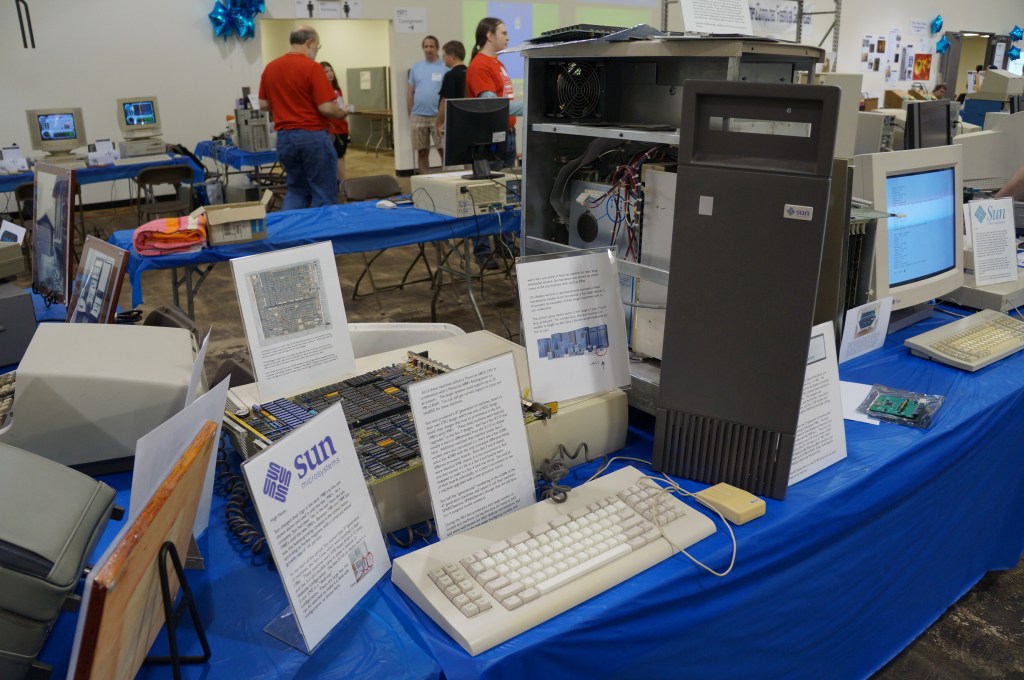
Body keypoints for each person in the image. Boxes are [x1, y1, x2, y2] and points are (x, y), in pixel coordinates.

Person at [259, 26, 347, 210]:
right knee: (323, 193)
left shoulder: (271, 67)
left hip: (284, 138)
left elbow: (263, 104)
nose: (316, 51)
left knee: (296, 191)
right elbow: (326, 108)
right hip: (312, 138)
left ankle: (292, 236)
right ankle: (322, 236)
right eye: (318, 46)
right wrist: (342, 112)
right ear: (310, 43)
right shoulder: (312, 68)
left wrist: (285, 106)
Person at [466, 17, 521, 268]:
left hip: (506, 135)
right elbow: (491, 104)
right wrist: (531, 106)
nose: (508, 37)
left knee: (506, 193)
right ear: (489, 35)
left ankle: (505, 245)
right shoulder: (480, 65)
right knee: (486, 195)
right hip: (490, 139)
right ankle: (483, 251)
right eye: (504, 32)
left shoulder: (496, 63)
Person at [407, 35, 447, 175]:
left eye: (431, 46)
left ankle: (445, 181)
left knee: (443, 150)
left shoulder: (444, 66)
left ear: (436, 48)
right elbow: (410, 92)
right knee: (422, 152)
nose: (428, 49)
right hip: (418, 116)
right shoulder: (416, 67)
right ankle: (425, 182)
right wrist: (410, 114)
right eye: (426, 46)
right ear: (422, 48)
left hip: (439, 116)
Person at [321, 61, 352, 194]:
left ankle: (341, 184)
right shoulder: (322, 90)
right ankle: (342, 185)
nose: (329, 74)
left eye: (330, 71)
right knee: (336, 157)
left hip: (342, 127)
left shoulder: (337, 89)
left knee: (341, 156)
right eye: (326, 72)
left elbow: (340, 106)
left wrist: (346, 112)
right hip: (331, 129)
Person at [435, 41, 467, 146]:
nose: (443, 58)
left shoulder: (451, 76)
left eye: (444, 55)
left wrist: (439, 123)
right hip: (469, 121)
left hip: (456, 124)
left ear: (452, 56)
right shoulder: (470, 72)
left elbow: (445, 101)